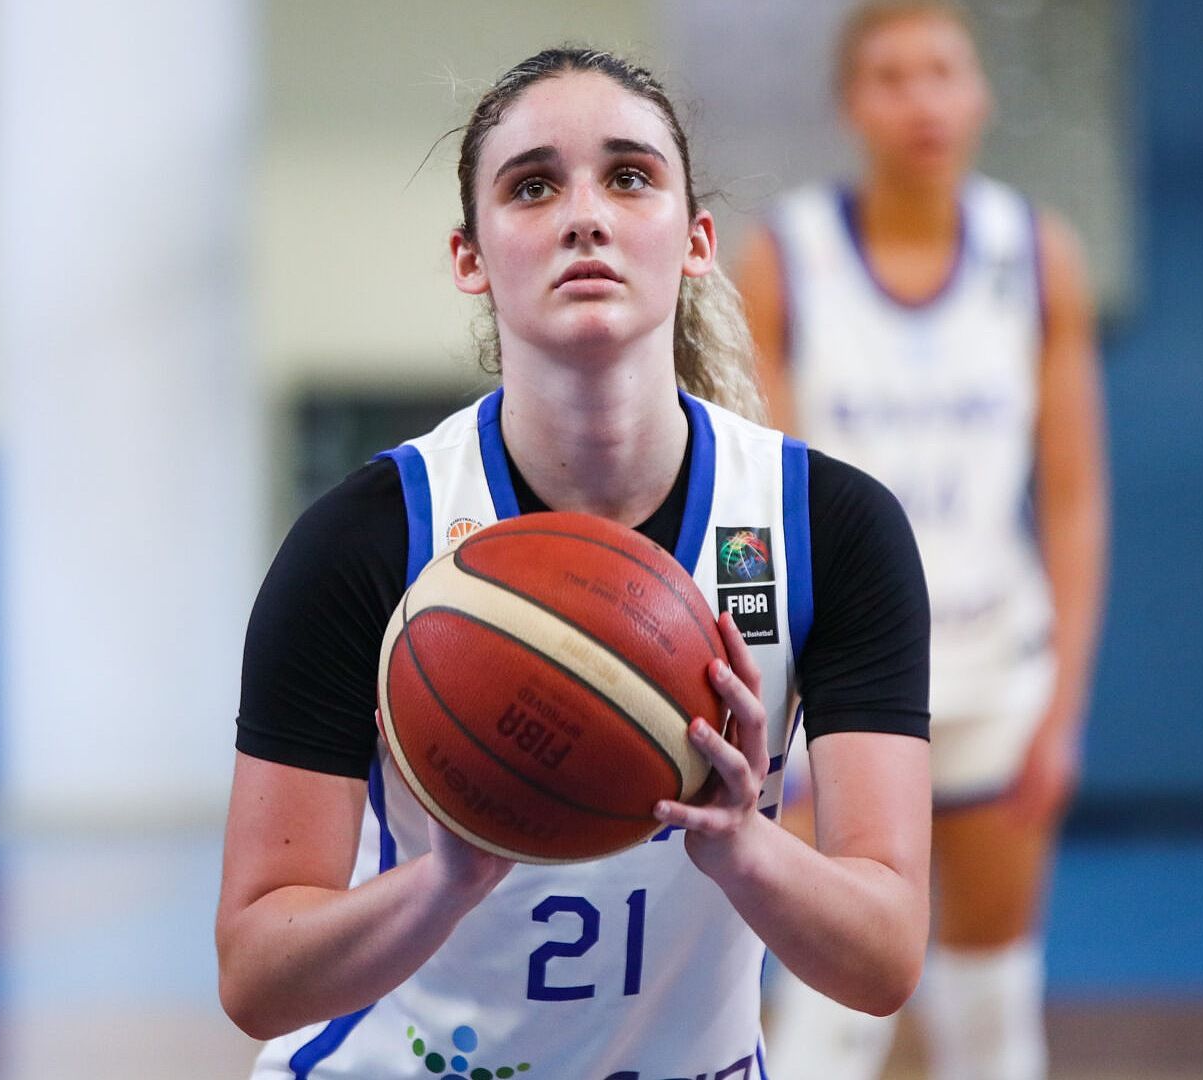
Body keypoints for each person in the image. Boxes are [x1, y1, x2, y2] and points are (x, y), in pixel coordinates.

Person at [216, 46, 936, 1080]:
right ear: (470, 257)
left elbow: (885, 957)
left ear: (696, 241)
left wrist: (742, 844)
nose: (585, 215)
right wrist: (442, 883)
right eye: (533, 186)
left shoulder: (827, 528)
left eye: (630, 176)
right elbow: (255, 975)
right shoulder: (369, 539)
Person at [742, 5, 1108, 1080]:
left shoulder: (1036, 257)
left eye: (943, 71)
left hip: (996, 666)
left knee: (994, 1017)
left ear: (981, 92)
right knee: (824, 1022)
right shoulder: (786, 259)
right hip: (840, 681)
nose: (922, 101)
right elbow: (759, 509)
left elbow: (1075, 496)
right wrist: (773, 705)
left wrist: (1064, 707)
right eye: (892, 77)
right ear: (850, 104)